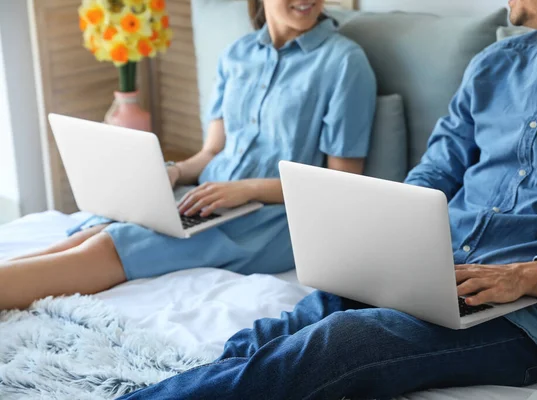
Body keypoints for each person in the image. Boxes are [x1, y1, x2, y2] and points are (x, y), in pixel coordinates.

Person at [116, 0, 537, 398]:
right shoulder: (496, 66)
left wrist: (529, 276)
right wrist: (390, 226)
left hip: (524, 318)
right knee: (273, 333)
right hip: (426, 271)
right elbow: (439, 166)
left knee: (339, 342)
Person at [0, 0, 376, 311]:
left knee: (111, 245)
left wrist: (246, 190)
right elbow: (213, 150)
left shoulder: (344, 62)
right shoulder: (238, 54)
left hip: (274, 218)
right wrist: (174, 172)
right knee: (93, 232)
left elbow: (340, 184)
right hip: (210, 196)